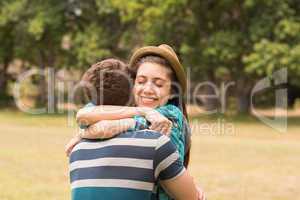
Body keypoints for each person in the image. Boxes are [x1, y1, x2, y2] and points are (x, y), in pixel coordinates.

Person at [69, 45, 196, 200]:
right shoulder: (134, 110)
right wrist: (141, 112)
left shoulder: (171, 116)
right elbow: (84, 114)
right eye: (141, 81)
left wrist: (122, 124)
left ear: (172, 92)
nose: (148, 89)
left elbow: (103, 126)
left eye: (158, 84)